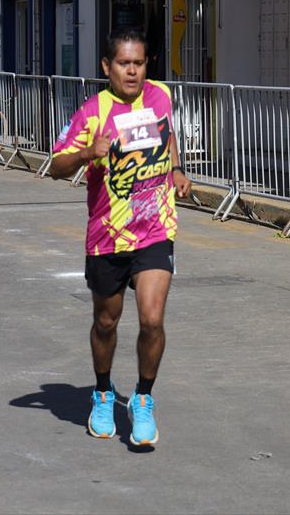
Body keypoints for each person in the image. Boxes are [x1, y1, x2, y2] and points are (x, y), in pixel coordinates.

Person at [49, 28, 192, 447]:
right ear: (106, 66)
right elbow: (56, 165)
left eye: (139, 63)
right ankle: (102, 392)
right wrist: (86, 153)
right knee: (106, 322)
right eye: (124, 63)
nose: (132, 71)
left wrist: (176, 170)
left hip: (155, 229)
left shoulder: (160, 96)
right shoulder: (92, 112)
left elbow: (168, 137)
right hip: (108, 236)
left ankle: (143, 399)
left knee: (152, 319)